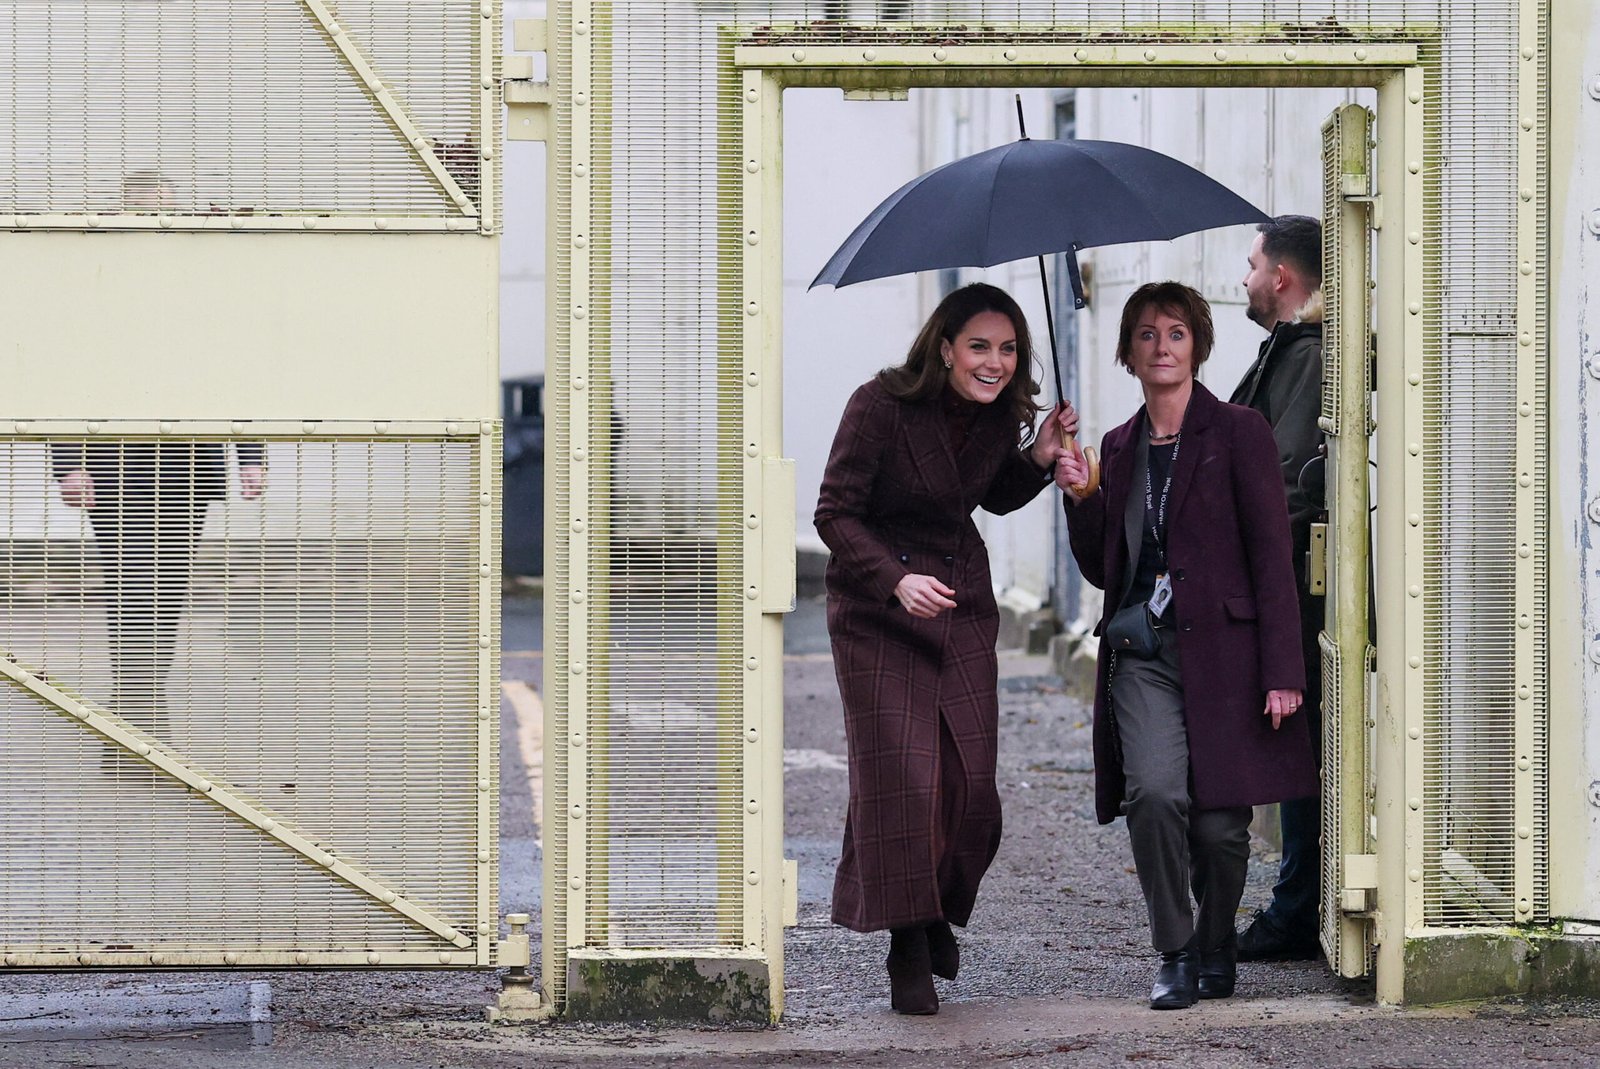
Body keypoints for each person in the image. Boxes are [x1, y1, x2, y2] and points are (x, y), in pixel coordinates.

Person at [1055, 281, 1317, 1010]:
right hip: (1146, 653)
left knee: (1221, 826)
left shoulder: (1239, 433)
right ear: (1128, 353)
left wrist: (1282, 670)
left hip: (1229, 655)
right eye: (1146, 334)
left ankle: (1214, 940)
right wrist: (1084, 499)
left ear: (1197, 344)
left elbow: (1272, 556)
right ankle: (1173, 950)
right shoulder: (1117, 445)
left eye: (1175, 332)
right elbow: (1105, 568)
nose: (1161, 345)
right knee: (1156, 794)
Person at [815, 282, 1070, 1015]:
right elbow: (834, 511)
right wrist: (896, 581)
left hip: (958, 601)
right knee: (908, 782)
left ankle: (934, 907)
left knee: (971, 789)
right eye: (980, 346)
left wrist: (1041, 455)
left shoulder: (999, 417)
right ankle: (909, 943)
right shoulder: (880, 404)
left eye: (1009, 348)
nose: (995, 362)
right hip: (876, 609)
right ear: (946, 347)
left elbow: (987, 496)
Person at [1231, 215, 1327, 962]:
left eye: (1253, 262)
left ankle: (1298, 907)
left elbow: (1288, 481)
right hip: (1287, 582)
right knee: (1299, 745)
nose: (1245, 276)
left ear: (1283, 278)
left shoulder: (1310, 354)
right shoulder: (1292, 352)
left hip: (1297, 587)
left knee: (1302, 745)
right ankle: (1300, 901)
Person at [52, 440, 266, 729]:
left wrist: (251, 457)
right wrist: (69, 464)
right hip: (116, 461)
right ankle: (137, 718)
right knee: (136, 591)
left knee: (167, 594)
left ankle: (139, 720)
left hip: (191, 463)